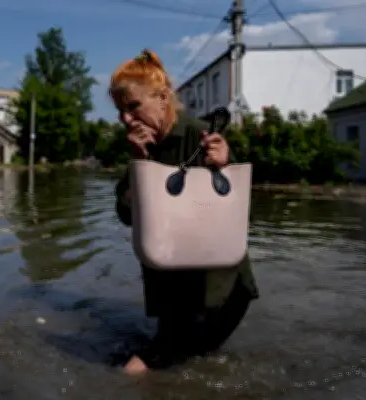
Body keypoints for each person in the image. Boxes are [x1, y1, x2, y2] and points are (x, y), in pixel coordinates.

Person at [110, 49, 260, 374]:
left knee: (137, 372)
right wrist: (140, 163)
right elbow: (126, 215)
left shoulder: (199, 135)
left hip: (216, 290)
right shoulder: (143, 148)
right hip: (174, 287)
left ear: (163, 98)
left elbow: (242, 217)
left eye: (133, 107)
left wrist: (224, 165)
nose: (125, 119)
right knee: (185, 368)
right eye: (120, 111)